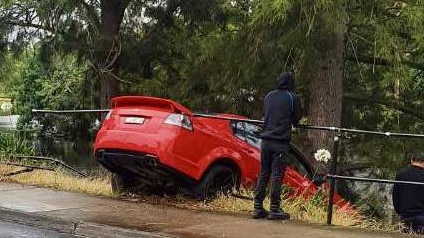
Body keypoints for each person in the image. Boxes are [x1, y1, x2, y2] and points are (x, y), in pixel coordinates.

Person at [253, 72, 301, 220]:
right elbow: (296, 118)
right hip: (280, 142)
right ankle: (274, 208)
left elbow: (265, 114)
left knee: (264, 173)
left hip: (265, 141)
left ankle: (258, 207)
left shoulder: (269, 96)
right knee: (277, 175)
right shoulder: (292, 97)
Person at [392, 152, 424, 234]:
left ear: (411, 160)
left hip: (405, 217)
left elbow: (395, 197)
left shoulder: (400, 175)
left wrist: (400, 212)